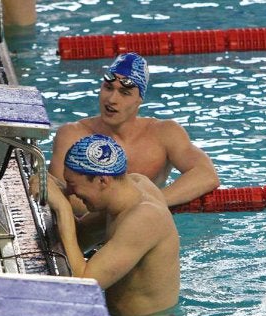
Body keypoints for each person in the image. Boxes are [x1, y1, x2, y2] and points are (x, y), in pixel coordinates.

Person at [33, 134, 181, 316]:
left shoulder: (144, 218)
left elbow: (84, 283)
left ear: (102, 180)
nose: (72, 193)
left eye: (74, 186)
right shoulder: (130, 189)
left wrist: (63, 208)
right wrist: (58, 192)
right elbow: (78, 238)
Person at [48, 52, 220, 210]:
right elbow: (60, 194)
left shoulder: (164, 133)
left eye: (124, 92)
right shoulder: (72, 135)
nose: (112, 99)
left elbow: (206, 175)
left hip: (145, 222)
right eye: (108, 88)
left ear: (140, 100)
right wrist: (127, 210)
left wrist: (148, 203)